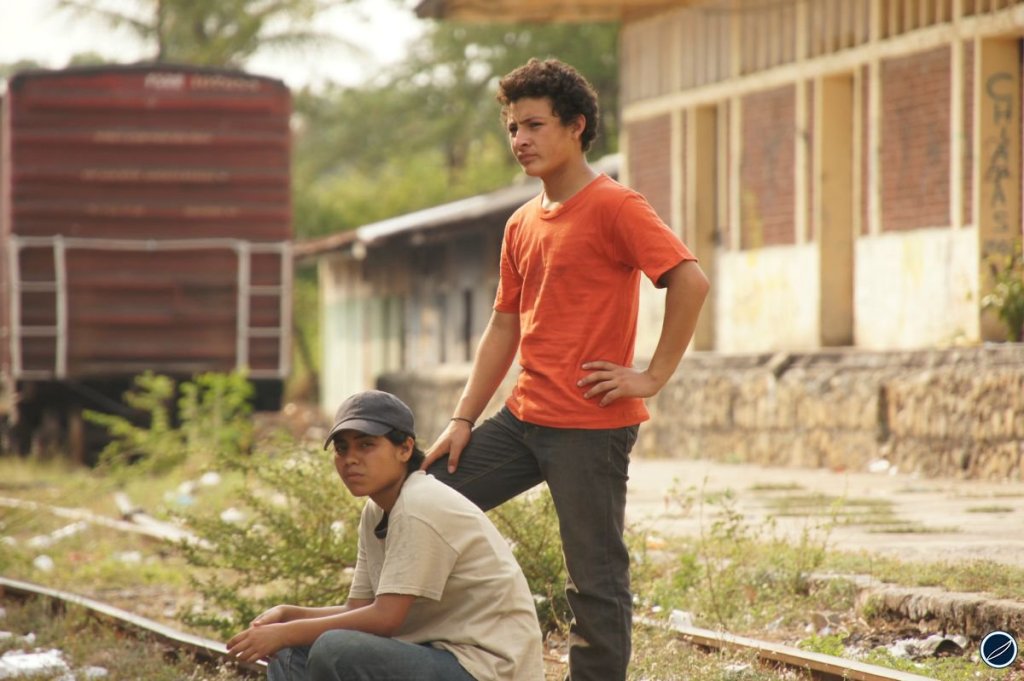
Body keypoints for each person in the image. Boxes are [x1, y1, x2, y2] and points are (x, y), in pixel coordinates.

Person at [422, 58, 710, 681]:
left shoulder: (616, 205)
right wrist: (462, 419)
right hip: (522, 419)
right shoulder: (521, 223)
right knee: (420, 502)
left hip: (590, 427)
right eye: (512, 128)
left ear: (576, 126)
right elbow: (503, 326)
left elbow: (690, 281)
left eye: (534, 125)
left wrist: (651, 376)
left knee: (595, 581)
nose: (520, 140)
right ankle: (436, 650)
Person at [227, 390, 545, 681]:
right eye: (341, 448)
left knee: (333, 649)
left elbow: (385, 619)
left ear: (405, 448)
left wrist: (287, 632)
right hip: (439, 657)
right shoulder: (377, 509)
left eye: (366, 445)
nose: (351, 459)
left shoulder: (419, 504)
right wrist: (288, 616)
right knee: (290, 651)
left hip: (486, 669)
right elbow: (357, 610)